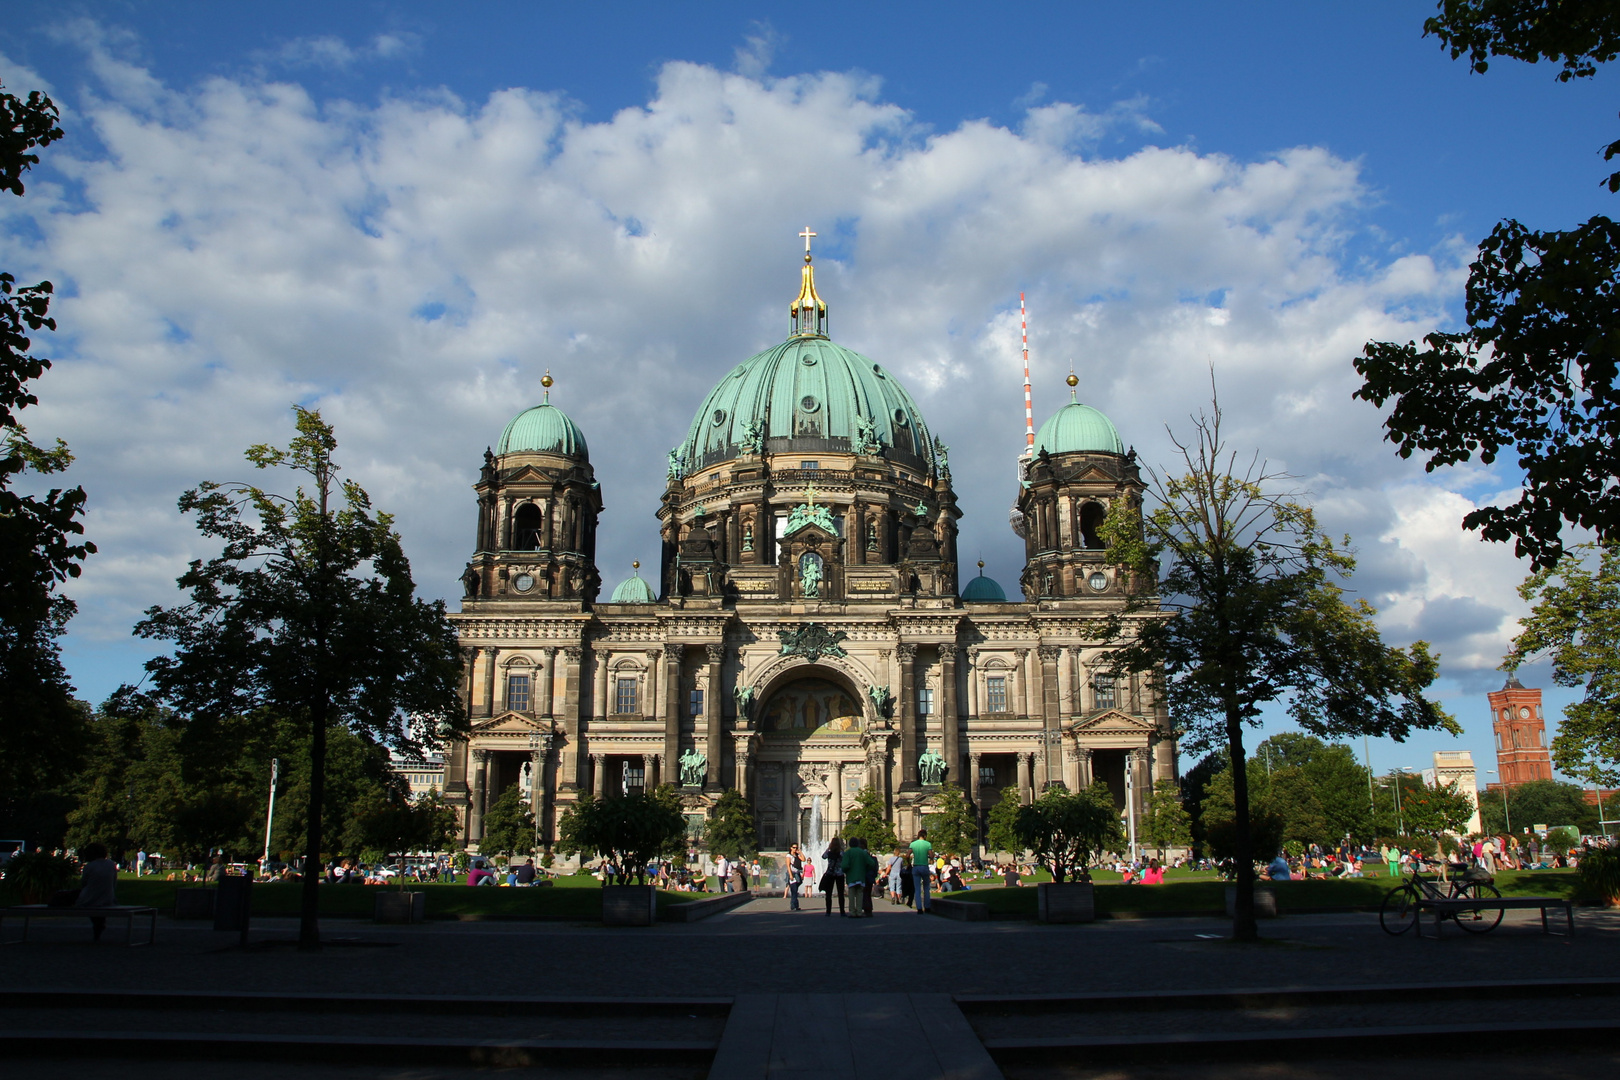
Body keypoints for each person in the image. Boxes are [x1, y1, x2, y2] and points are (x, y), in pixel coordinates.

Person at [75, 842, 118, 943]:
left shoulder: (89, 867)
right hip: (108, 898)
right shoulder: (111, 865)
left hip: (89, 899)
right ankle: (99, 924)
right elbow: (114, 883)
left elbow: (84, 884)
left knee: (87, 897)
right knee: (99, 899)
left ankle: (98, 925)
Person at [844, 837, 877, 918]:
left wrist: (847, 871)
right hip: (861, 876)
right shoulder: (862, 853)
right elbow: (872, 863)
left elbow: (844, 866)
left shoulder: (848, 853)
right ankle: (859, 912)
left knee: (851, 895)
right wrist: (864, 869)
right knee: (860, 894)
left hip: (851, 877)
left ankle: (852, 912)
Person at [909, 829, 934, 914]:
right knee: (926, 888)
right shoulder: (927, 844)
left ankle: (919, 908)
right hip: (924, 866)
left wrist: (909, 863)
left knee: (917, 888)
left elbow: (907, 855)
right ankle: (927, 907)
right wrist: (930, 859)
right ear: (925, 836)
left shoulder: (913, 844)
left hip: (916, 866)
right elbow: (931, 855)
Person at [822, 837, 846, 916]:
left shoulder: (829, 852)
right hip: (839, 873)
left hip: (830, 873)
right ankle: (842, 911)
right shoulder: (841, 852)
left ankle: (828, 911)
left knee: (828, 893)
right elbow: (845, 858)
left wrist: (828, 848)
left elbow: (823, 856)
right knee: (840, 894)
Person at [786, 844, 804, 911]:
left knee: (795, 890)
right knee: (794, 890)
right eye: (794, 847)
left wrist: (800, 852)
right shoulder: (789, 856)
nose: (795, 849)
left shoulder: (797, 856)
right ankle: (794, 906)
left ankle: (795, 905)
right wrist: (790, 875)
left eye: (796, 848)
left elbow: (804, 859)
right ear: (791, 848)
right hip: (792, 874)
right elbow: (788, 865)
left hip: (797, 874)